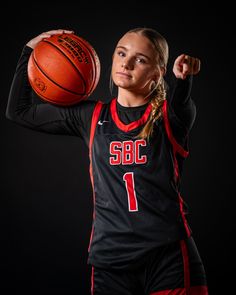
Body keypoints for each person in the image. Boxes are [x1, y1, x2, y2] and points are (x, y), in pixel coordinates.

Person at [6, 28, 208, 295]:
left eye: (140, 59)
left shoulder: (169, 118)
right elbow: (19, 112)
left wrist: (183, 79)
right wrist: (30, 50)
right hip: (110, 261)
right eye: (122, 53)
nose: (126, 63)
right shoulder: (90, 116)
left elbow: (182, 102)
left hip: (168, 256)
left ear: (157, 73)